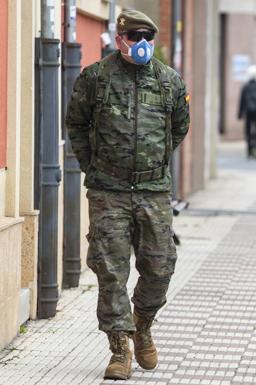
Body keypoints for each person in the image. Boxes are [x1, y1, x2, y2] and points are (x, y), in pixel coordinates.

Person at [65, 9, 190, 380]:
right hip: (109, 191)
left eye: (147, 38)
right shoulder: (96, 78)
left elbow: (178, 128)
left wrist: (154, 164)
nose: (141, 45)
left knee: (160, 265)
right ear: (119, 39)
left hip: (153, 191)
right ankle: (120, 348)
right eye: (134, 38)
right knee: (110, 271)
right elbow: (76, 124)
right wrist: (93, 167)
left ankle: (143, 324)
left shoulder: (169, 82)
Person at [238, 65, 256, 159]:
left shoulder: (245, 87)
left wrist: (240, 114)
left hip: (248, 112)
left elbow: (241, 101)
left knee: (248, 130)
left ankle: (249, 149)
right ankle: (255, 146)